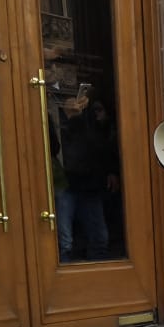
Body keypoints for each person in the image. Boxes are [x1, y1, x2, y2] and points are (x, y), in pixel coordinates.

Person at [57, 86, 119, 261]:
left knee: (99, 239)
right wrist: (69, 117)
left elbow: (100, 146)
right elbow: (56, 146)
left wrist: (110, 170)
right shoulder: (57, 117)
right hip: (66, 183)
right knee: (65, 243)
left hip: (90, 184)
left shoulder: (92, 121)